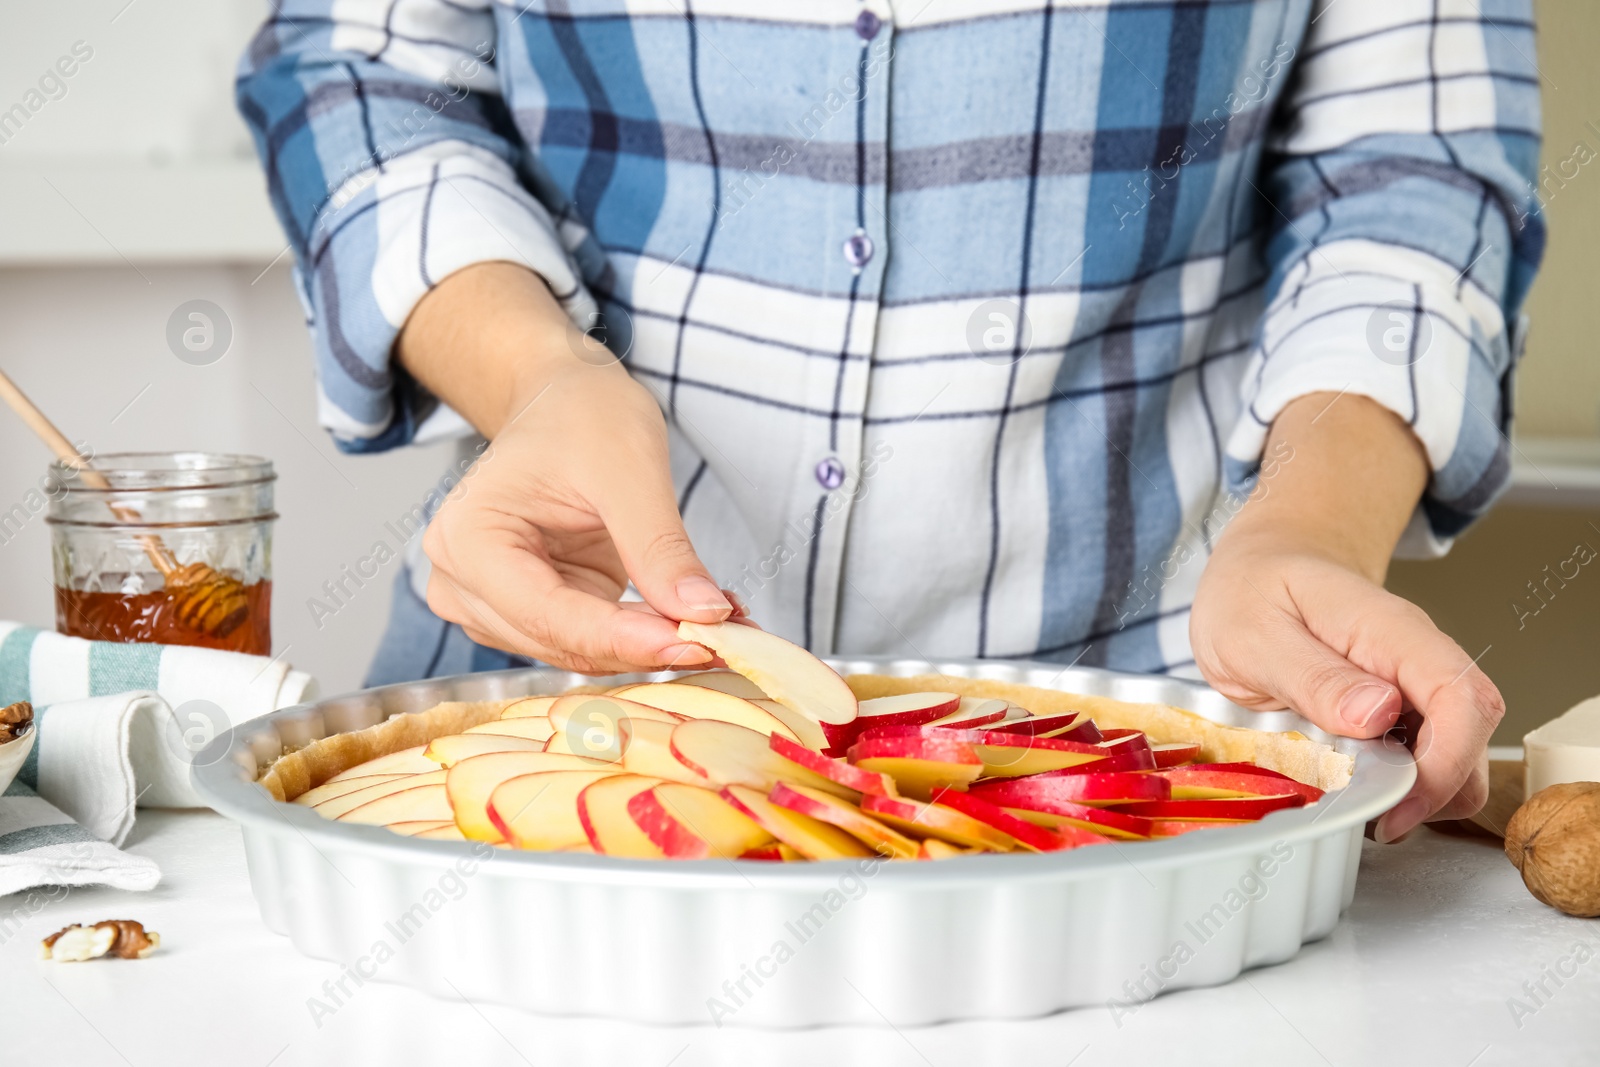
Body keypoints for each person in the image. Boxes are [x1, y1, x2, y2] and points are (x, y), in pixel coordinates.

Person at [237, 1, 1542, 845]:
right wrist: (538, 379)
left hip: (1141, 758)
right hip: (542, 717)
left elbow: (1416, 174)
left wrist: (1307, 525)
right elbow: (356, 68)